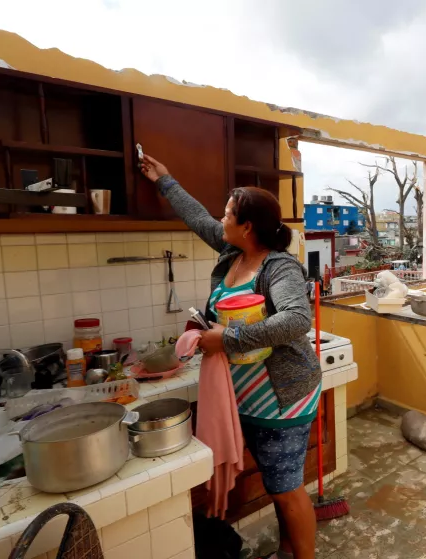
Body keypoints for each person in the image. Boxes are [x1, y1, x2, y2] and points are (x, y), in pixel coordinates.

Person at [140, 155, 321, 559]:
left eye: (228, 215)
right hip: (245, 396)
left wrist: (229, 338)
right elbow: (197, 216)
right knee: (279, 484)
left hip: (283, 396)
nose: (221, 221)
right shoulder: (231, 253)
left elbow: (297, 320)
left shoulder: (278, 268)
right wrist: (164, 179)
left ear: (247, 226)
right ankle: (288, 551)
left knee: (287, 489)